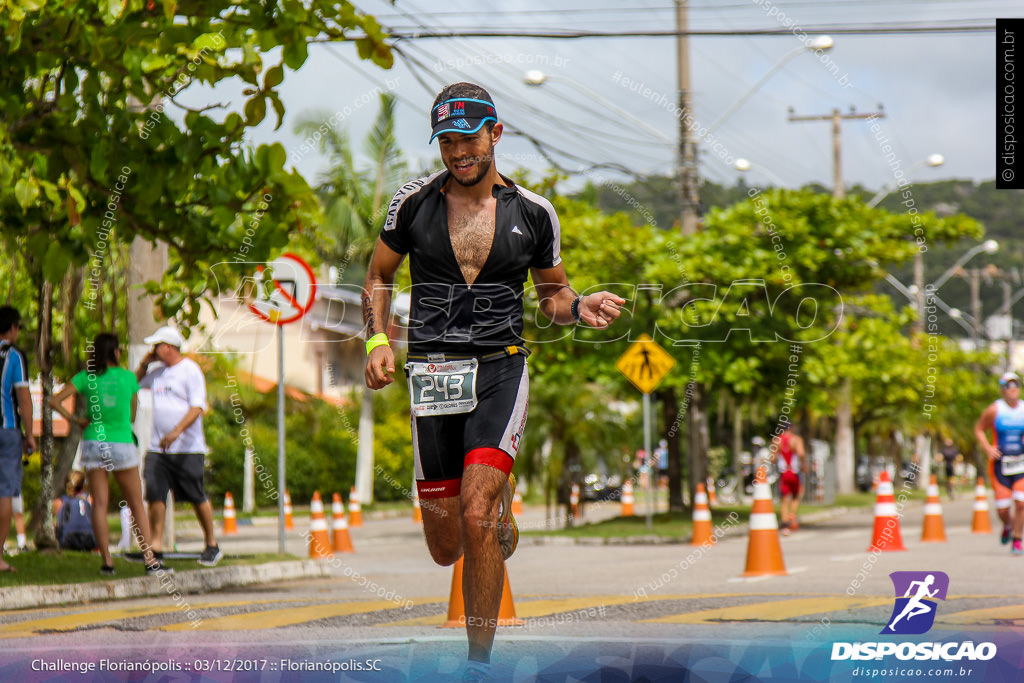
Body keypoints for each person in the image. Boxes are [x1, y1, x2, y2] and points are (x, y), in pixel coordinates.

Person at [363, 82, 624, 681]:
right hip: (431, 372)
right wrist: (377, 341)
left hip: (502, 367)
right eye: (447, 141)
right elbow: (378, 275)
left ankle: (479, 665)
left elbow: (553, 296)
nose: (459, 152)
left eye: (469, 138)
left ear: (495, 134)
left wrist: (577, 305)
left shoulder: (533, 213)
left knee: (475, 510)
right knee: (445, 545)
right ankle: (493, 506)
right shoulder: (411, 204)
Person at [50, 333, 165, 575]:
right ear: (115, 352)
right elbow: (133, 415)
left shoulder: (86, 377)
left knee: (99, 504)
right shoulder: (128, 378)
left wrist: (75, 420)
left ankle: (107, 562)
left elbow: (54, 401)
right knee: (136, 504)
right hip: (122, 442)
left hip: (94, 441)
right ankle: (150, 559)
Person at [134, 326, 222, 567]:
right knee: (155, 496)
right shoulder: (158, 373)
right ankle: (156, 548)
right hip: (158, 449)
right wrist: (144, 363)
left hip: (188, 448)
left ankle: (212, 544)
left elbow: (197, 407)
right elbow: (132, 384)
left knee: (196, 495)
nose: (154, 350)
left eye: (157, 346)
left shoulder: (190, 371)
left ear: (169, 347)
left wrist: (175, 432)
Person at [0, 306, 35, 573]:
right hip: (7, 430)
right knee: (5, 493)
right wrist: (30, 434)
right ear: (12, 327)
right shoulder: (13, 356)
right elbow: (23, 397)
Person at [975, 371, 1024, 555]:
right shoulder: (995, 409)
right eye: (1007, 386)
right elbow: (979, 429)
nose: (1012, 389)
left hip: (1021, 462)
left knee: (1021, 503)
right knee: (1003, 509)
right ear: (1002, 390)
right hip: (1000, 464)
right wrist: (988, 448)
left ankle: (1017, 540)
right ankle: (1008, 525)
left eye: (1015, 385)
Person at [770, 423, 805, 535]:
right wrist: (803, 464)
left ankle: (785, 523)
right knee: (798, 494)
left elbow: (772, 458)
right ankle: (792, 514)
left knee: (785, 499)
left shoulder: (777, 440)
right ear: (792, 428)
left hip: (783, 473)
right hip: (794, 472)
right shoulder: (796, 439)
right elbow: (801, 453)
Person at [53, 470, 97, 552]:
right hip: (89, 540)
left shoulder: (59, 503)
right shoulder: (90, 500)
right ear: (83, 486)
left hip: (67, 541)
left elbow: (58, 524)